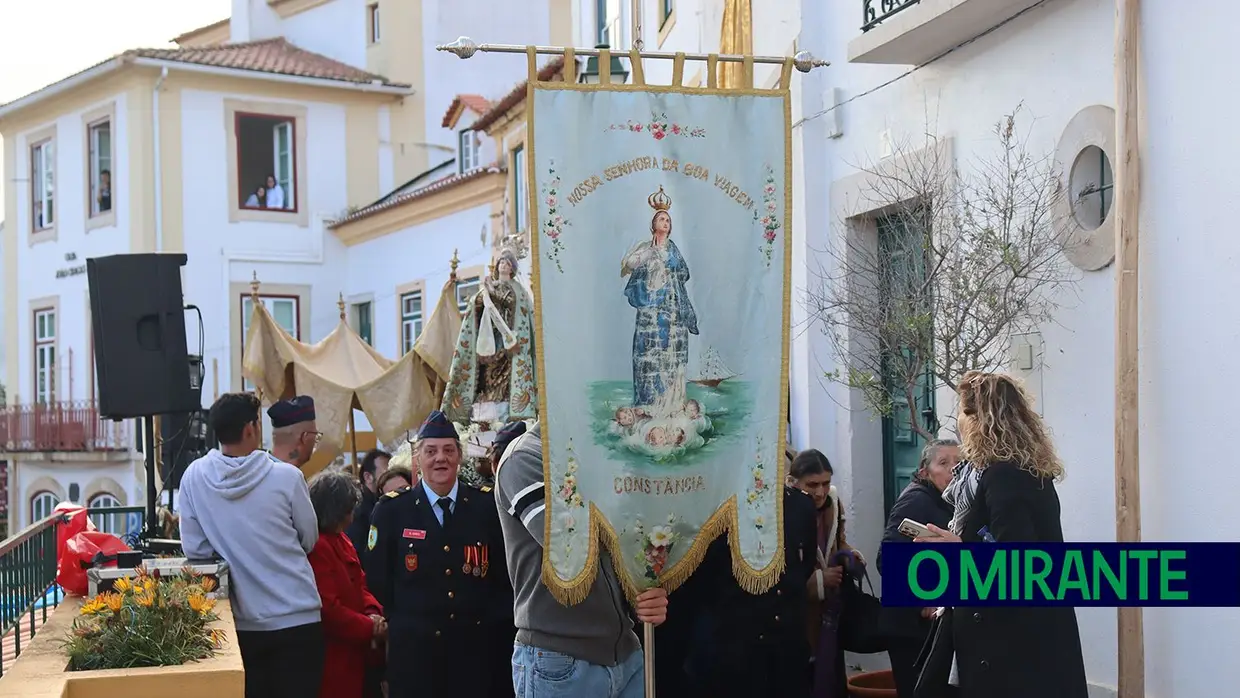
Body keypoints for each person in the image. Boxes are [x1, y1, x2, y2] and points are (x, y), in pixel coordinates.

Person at [914, 371, 1087, 698]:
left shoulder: (1005, 476)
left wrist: (959, 547)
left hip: (1010, 643)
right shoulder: (1019, 470)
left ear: (979, 420)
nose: (960, 425)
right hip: (1020, 636)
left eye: (964, 414)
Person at [495, 422, 669, 698]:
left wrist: (648, 594)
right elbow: (569, 544)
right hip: (560, 659)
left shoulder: (607, 452)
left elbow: (643, 540)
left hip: (625, 652)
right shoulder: (525, 457)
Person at [178, 392, 323, 698]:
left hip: (240, 623)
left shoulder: (193, 478)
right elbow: (309, 538)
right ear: (250, 429)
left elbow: (196, 551)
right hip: (298, 618)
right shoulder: (288, 477)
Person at [364, 411, 514, 698]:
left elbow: (503, 578)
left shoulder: (486, 506)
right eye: (431, 451)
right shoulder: (392, 511)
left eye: (448, 450)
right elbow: (378, 580)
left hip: (476, 656)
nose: (440, 458)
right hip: (415, 658)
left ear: (459, 456)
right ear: (418, 459)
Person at [687, 484, 818, 698]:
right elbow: (704, 577)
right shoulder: (717, 506)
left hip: (788, 643)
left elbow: (803, 565)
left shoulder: (799, 504)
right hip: (736, 643)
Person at [877, 439, 958, 698]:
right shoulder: (916, 501)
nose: (952, 469)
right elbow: (887, 560)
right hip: (910, 627)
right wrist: (924, 597)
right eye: (943, 463)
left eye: (958, 463)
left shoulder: (947, 500)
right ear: (925, 471)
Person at [789, 449, 863, 698]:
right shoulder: (787, 510)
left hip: (829, 614)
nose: (820, 492)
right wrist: (820, 580)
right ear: (794, 482)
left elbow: (838, 541)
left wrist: (851, 554)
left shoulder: (833, 503)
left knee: (830, 674)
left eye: (825, 483)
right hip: (800, 617)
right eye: (812, 485)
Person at [307, 471, 386, 698]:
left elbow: (361, 584)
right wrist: (369, 627)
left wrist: (373, 613)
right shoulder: (319, 546)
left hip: (357, 652)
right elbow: (328, 609)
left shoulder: (342, 539)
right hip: (335, 657)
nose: (352, 517)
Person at [620, 186, 698, 414]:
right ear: (653, 224)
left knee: (671, 355)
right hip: (649, 310)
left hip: (671, 310)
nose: (666, 222)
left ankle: (671, 403)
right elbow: (629, 266)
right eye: (662, 219)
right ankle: (647, 404)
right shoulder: (645, 249)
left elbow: (683, 272)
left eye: (668, 220)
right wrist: (649, 255)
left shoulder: (673, 251)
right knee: (649, 355)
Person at [348, 449, 391, 554]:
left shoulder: (384, 502)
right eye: (387, 473)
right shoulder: (358, 509)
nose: (392, 478)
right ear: (368, 477)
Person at [269, 396, 320, 469]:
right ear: (304, 438)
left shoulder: (255, 470)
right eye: (316, 435)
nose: (315, 442)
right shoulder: (293, 477)